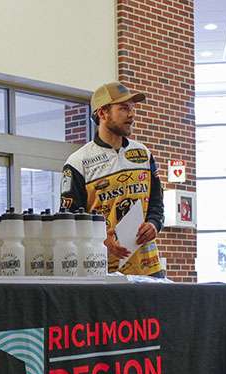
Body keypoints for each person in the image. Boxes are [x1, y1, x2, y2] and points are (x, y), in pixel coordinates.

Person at [60, 82, 164, 276]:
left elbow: (157, 203)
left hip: (149, 269)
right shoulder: (77, 162)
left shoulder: (143, 153)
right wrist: (101, 240)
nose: (132, 115)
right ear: (102, 113)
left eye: (132, 109)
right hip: (101, 271)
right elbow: (69, 221)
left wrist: (154, 224)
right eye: (124, 108)